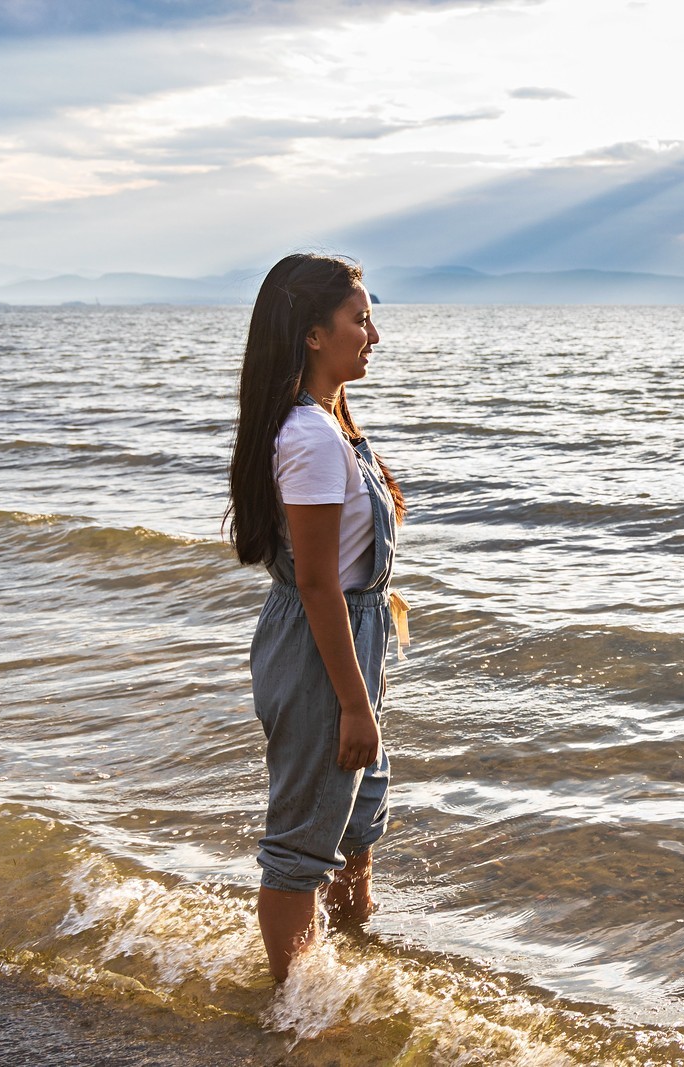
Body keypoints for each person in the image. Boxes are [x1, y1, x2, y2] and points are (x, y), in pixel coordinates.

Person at [226, 253, 405, 982]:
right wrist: (353, 705)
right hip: (319, 648)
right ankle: (294, 1015)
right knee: (300, 846)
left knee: (358, 819)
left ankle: (349, 968)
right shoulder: (308, 436)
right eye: (359, 319)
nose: (374, 334)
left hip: (347, 639)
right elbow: (318, 584)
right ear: (311, 334)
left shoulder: (331, 423)